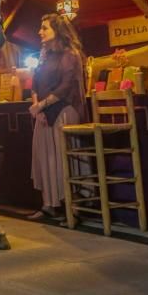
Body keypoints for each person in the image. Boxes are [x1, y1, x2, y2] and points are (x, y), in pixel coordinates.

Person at [29, 14, 88, 220]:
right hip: (44, 113)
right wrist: (38, 108)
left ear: (58, 31)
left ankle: (73, 205)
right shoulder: (45, 55)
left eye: (45, 28)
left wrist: (42, 105)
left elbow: (66, 86)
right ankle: (49, 204)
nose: (40, 32)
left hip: (64, 109)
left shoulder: (70, 54)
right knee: (46, 158)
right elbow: (35, 84)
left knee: (62, 158)